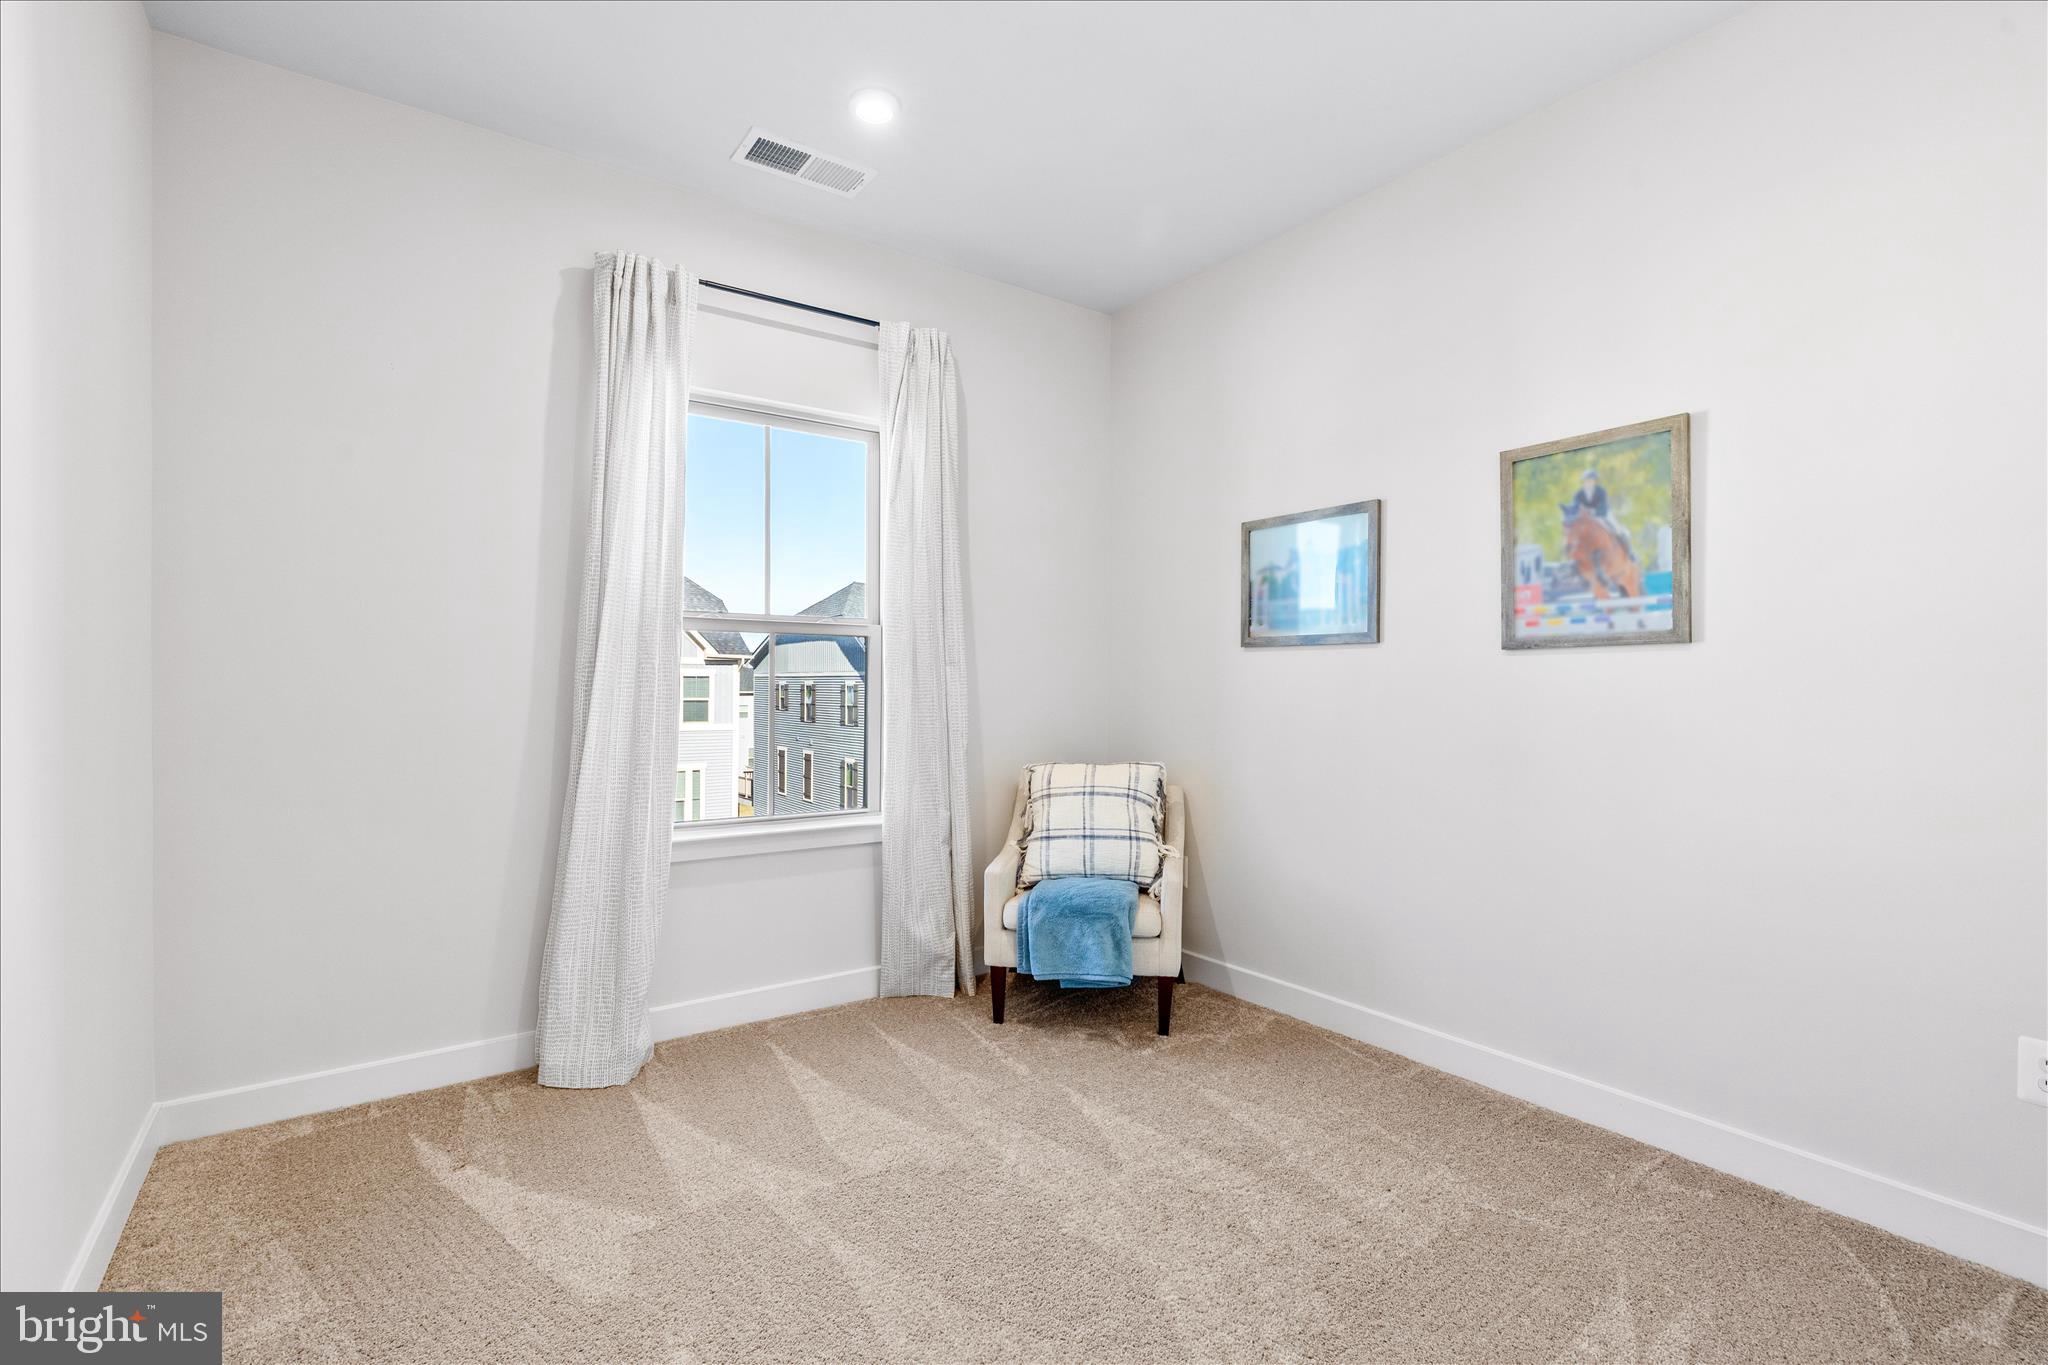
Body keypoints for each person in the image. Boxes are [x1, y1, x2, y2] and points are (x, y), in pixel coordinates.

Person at [1566, 467, 1634, 561]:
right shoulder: (1578, 494)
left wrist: (1593, 512)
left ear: (1594, 481)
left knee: (1619, 530)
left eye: (1590, 480)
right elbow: (1575, 506)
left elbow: (1603, 507)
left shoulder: (1601, 491)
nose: (1588, 483)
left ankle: (1629, 552)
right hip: (1586, 518)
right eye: (1586, 481)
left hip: (1603, 514)